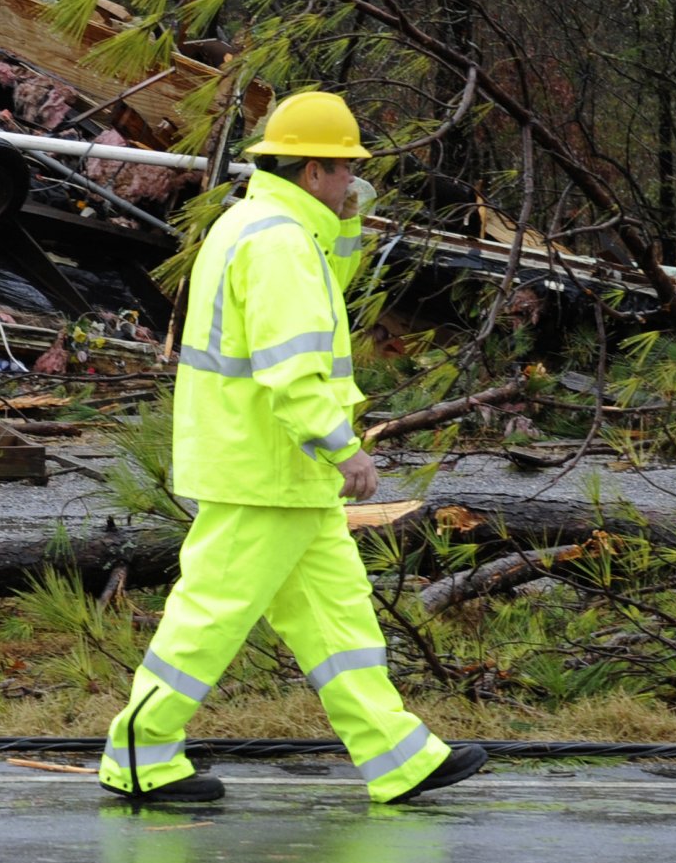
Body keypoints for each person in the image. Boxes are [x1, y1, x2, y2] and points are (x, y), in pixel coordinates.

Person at [98, 91, 488, 805]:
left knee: (340, 619)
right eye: (345, 172)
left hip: (275, 471)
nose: (352, 184)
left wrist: (347, 223)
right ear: (313, 172)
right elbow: (292, 365)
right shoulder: (278, 242)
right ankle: (137, 755)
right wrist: (345, 450)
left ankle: (400, 756)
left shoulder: (265, 226)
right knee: (210, 616)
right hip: (267, 469)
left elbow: (322, 293)